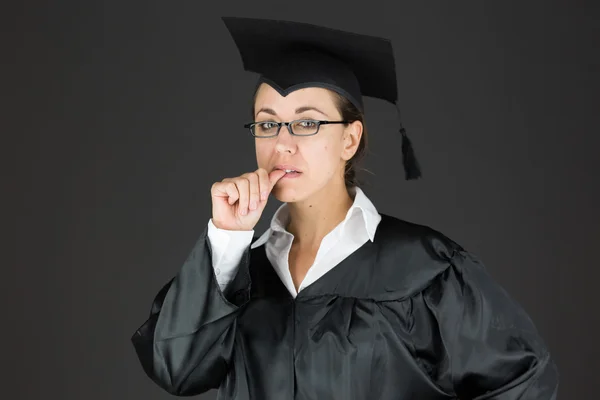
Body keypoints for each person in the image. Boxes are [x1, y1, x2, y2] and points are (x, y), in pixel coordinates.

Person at [131, 16, 559, 399]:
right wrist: (227, 239)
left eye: (307, 122)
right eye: (267, 123)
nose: (282, 143)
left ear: (349, 140)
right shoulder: (237, 271)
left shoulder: (426, 268)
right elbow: (177, 371)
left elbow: (524, 383)